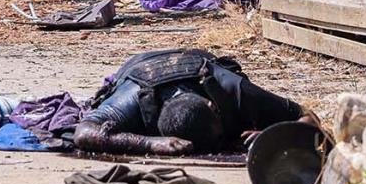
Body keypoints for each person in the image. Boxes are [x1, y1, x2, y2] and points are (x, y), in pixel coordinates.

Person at [73, 49, 306, 156]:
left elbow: (307, 116)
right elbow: (83, 133)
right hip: (141, 65)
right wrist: (147, 143)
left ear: (213, 106)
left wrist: (276, 134)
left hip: (196, 58)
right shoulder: (133, 97)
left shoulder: (231, 88)